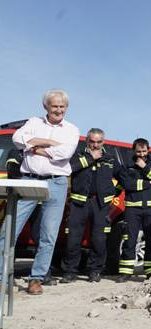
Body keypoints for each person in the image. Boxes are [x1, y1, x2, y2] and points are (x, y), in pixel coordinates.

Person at [0, 89, 78, 295]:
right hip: (29, 180)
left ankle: (36, 279)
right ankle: (1, 277)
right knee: (9, 230)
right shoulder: (34, 122)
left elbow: (64, 154)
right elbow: (18, 138)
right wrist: (50, 143)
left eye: (62, 106)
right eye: (55, 106)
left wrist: (35, 145)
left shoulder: (71, 129)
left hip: (57, 183)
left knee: (48, 235)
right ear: (46, 107)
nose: (59, 110)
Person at [60, 128, 120, 283]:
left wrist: (113, 193)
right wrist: (90, 158)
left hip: (100, 204)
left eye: (99, 142)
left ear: (103, 142)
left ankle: (95, 271)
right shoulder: (78, 155)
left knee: (99, 240)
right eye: (92, 141)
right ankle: (70, 271)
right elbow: (69, 169)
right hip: (79, 203)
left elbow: (124, 177)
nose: (95, 145)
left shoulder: (110, 159)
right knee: (73, 238)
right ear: (87, 141)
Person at [115, 138, 151, 282]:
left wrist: (144, 167)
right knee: (129, 240)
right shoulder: (127, 165)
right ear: (133, 151)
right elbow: (126, 184)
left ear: (148, 150)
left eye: (144, 151)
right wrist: (148, 183)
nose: (141, 154)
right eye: (138, 151)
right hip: (132, 208)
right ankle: (125, 272)